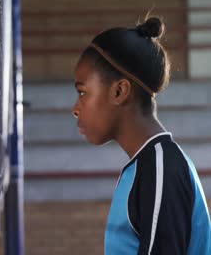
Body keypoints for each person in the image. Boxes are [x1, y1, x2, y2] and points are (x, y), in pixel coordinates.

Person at [72, 17, 211, 254]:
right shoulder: (148, 166)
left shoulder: (161, 170)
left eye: (83, 92)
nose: (75, 108)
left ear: (119, 91)